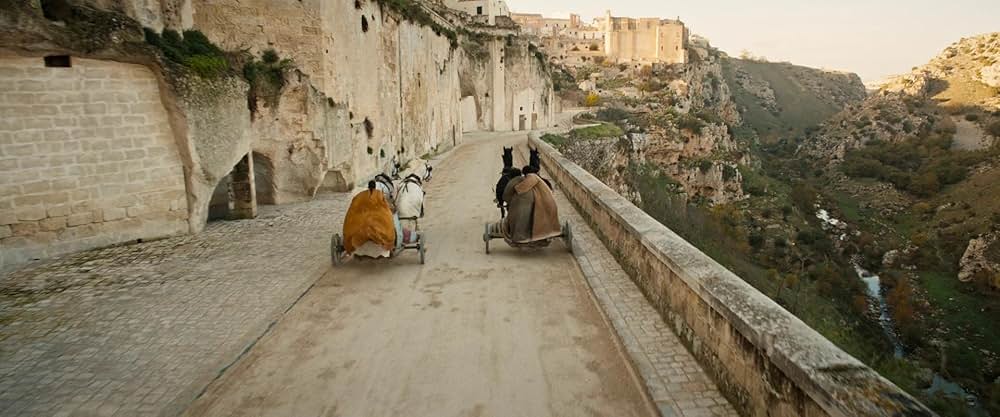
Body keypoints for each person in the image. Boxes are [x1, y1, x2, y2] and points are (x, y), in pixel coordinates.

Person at [498, 165, 561, 243]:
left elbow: (521, 188)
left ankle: (537, 236)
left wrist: (515, 189)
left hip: (544, 200)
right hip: (543, 199)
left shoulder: (532, 176)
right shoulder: (536, 177)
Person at [343, 181, 396, 258]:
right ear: (375, 186)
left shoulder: (360, 195)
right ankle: (388, 249)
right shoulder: (379, 194)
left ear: (368, 186)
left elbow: (353, 208)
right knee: (388, 224)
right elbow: (385, 207)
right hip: (377, 222)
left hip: (362, 222)